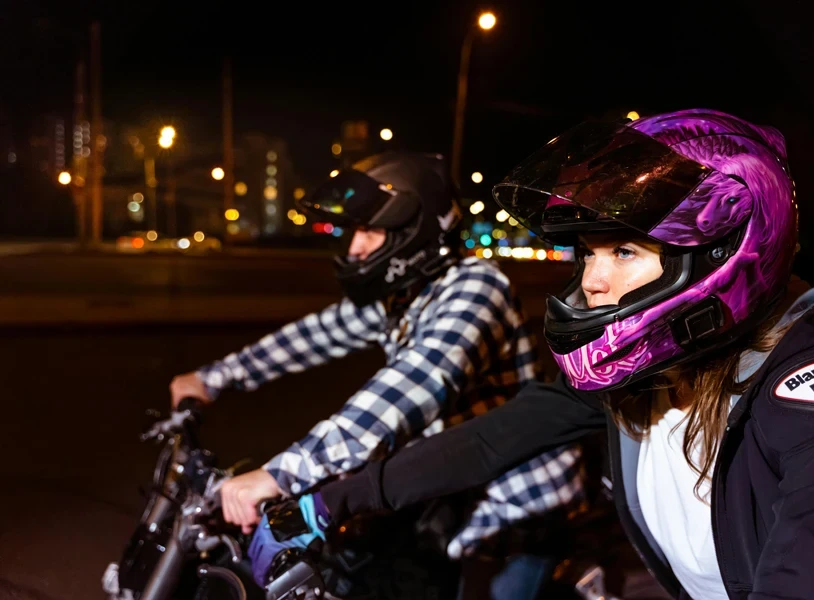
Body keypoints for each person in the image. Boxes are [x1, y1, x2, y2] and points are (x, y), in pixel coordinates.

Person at [273, 110, 814, 599]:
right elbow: (493, 440)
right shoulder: (649, 371)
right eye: (589, 253)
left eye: (624, 252)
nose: (593, 282)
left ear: (719, 254)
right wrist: (332, 500)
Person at [169, 152, 589, 597]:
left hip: (517, 507)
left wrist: (279, 475)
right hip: (449, 492)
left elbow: (411, 388)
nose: (354, 246)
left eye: (368, 230)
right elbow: (314, 335)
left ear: (416, 229)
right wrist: (213, 377)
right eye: (353, 231)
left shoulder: (477, 288)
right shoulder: (403, 295)